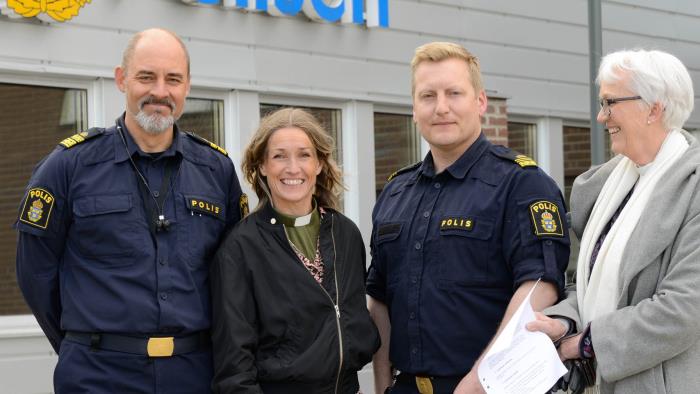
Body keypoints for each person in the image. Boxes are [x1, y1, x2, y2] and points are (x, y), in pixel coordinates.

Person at [15, 28, 245, 393]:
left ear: (187, 86)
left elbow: (233, 277)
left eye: (173, 79)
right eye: (146, 77)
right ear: (121, 79)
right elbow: (35, 273)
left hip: (195, 375)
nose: (160, 91)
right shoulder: (68, 166)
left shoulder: (217, 171)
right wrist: (83, 344)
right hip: (98, 375)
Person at [366, 41, 571, 394]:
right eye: (427, 96)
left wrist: (478, 380)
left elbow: (540, 286)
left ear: (480, 102)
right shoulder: (396, 192)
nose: (441, 107)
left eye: (454, 93)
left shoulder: (521, 183)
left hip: (494, 387)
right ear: (413, 109)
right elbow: (380, 298)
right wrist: (383, 383)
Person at [528, 49, 699, 393]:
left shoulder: (693, 187)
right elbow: (591, 286)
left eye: (610, 103)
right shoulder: (610, 184)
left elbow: (684, 308)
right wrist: (564, 321)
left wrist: (586, 344)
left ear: (654, 108)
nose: (601, 116)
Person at [210, 107, 380, 393]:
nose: (293, 168)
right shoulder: (240, 247)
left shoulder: (345, 234)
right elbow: (234, 368)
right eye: (279, 156)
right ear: (262, 166)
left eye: (304, 155)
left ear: (319, 164)